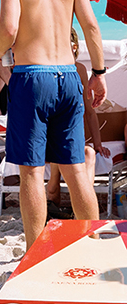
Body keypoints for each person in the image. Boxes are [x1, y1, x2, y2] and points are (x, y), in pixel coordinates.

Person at [0, 0, 107, 248]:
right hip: (68, 75)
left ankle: (35, 251)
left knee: (30, 170)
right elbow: (91, 28)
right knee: (73, 169)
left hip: (33, 77)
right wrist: (98, 74)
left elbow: (9, 30)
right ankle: (91, 244)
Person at [45, 29, 109, 215]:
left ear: (74, 47)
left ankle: (75, 208)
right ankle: (58, 199)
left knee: (89, 153)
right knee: (68, 153)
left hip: (71, 141)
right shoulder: (47, 70)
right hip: (52, 140)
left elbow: (90, 112)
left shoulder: (79, 70)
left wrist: (98, 144)